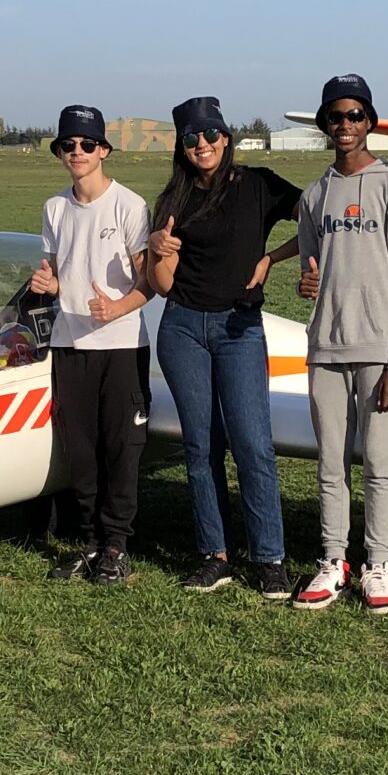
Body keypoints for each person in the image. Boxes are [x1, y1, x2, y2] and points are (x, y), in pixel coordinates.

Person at [143, 96, 301, 599]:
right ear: (181, 146)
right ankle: (214, 555)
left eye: (210, 135)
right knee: (201, 446)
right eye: (191, 138)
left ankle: (270, 558)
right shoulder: (173, 200)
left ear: (226, 138)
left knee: (253, 444)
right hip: (183, 328)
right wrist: (157, 252)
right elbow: (163, 285)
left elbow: (316, 216)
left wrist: (272, 258)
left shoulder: (259, 184)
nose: (202, 146)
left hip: (239, 328)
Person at [290, 74, 388, 615]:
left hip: (377, 352)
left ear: (369, 121)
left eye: (353, 116)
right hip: (325, 348)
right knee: (329, 464)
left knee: (379, 465)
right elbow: (310, 266)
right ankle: (333, 560)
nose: (344, 126)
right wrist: (306, 282)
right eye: (334, 117)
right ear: (325, 125)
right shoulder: (315, 194)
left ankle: (377, 563)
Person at [32, 105, 153, 586]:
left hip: (121, 345)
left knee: (119, 447)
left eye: (86, 144)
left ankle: (117, 544)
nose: (76, 153)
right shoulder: (54, 208)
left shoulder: (129, 205)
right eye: (67, 145)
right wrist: (48, 282)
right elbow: (57, 273)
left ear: (103, 150)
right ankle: (88, 540)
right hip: (70, 343)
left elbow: (149, 280)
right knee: (79, 448)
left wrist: (118, 309)